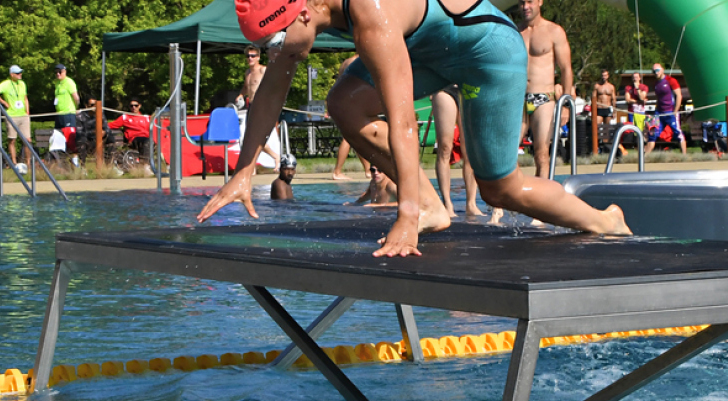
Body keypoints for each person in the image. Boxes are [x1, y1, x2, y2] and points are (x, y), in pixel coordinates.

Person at [198, 0, 630, 257]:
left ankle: (605, 220)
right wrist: (243, 171)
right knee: (344, 102)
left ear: (303, 14)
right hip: (432, 54)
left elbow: (401, 119)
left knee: (501, 189)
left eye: (273, 43)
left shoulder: (372, 13)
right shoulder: (301, 15)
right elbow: (272, 91)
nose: (274, 55)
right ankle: (432, 208)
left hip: (488, 55)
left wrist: (403, 215)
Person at [518, 0, 573, 180]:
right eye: (521, 3)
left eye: (530, 2)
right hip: (518, 98)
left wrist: (565, 103)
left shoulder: (554, 31)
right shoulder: (515, 32)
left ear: (540, 2)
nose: (525, 7)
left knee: (541, 154)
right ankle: (508, 201)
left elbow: (566, 69)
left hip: (544, 97)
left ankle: (540, 203)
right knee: (508, 156)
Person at [431, 86, 485, 217]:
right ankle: (447, 203)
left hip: (466, 87)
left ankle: (471, 204)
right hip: (445, 87)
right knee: (445, 148)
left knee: (469, 151)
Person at [330, 55, 371, 180]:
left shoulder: (346, 62)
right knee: (349, 137)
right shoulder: (359, 61)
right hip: (352, 99)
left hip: (342, 98)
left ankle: (368, 169)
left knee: (356, 135)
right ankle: (337, 171)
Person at [0, 65, 30, 167]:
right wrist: (4, 103)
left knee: (27, 140)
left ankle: (28, 163)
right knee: (12, 140)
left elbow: (25, 98)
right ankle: (14, 162)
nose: (20, 74)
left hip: (23, 116)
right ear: (12, 74)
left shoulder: (22, 84)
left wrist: (27, 112)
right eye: (17, 73)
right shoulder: (6, 84)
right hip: (11, 116)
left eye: (20, 72)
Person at [644, 63, 686, 154]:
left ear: (662, 70)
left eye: (658, 70)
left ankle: (684, 156)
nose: (656, 73)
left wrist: (675, 111)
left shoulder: (671, 80)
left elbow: (679, 96)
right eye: (654, 71)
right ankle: (644, 157)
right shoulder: (656, 84)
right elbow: (658, 99)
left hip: (670, 112)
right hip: (659, 112)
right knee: (652, 133)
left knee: (678, 133)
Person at [53, 64, 80, 130]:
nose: (58, 74)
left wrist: (75, 108)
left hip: (68, 114)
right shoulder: (57, 83)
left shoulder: (69, 82)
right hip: (59, 114)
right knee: (58, 136)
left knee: (69, 136)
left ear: (65, 72)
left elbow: (76, 98)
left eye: (60, 72)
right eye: (56, 72)